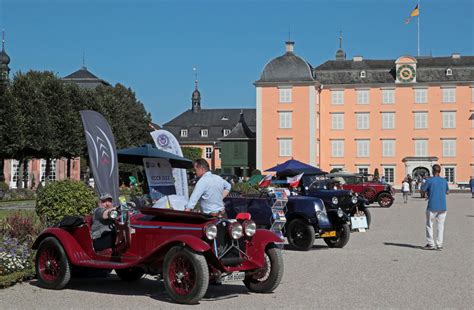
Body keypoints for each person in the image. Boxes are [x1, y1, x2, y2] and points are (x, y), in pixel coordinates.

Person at [421, 164, 449, 250]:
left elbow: (422, 189)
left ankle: (431, 244)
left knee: (429, 224)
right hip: (443, 206)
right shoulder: (444, 181)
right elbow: (447, 192)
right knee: (441, 226)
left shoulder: (429, 180)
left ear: (432, 171)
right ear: (440, 171)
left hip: (432, 205)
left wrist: (428, 191)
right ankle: (439, 245)